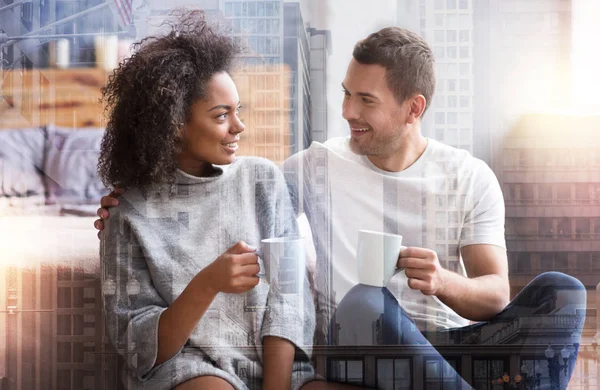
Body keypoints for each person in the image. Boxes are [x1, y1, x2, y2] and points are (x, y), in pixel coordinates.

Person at [96, 25, 586, 389]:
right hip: (363, 341)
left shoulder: (469, 176)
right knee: (368, 301)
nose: (348, 112)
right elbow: (217, 203)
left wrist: (441, 282)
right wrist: (123, 204)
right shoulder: (310, 168)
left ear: (413, 108)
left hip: (450, 345)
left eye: (365, 100)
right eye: (346, 95)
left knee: (564, 293)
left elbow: (496, 295)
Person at [97, 11, 314, 390]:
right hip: (189, 370)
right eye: (221, 115)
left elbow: (289, 298)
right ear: (174, 126)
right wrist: (207, 283)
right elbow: (139, 346)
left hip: (278, 371)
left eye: (238, 111)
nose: (239, 126)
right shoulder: (127, 215)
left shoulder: (262, 179)